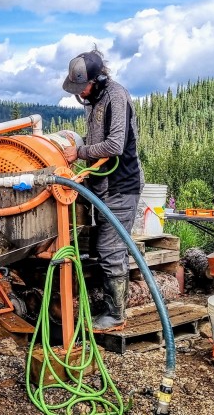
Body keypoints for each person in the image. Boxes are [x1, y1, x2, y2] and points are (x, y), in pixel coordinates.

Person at [60, 49, 144, 331]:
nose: (79, 93)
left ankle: (116, 314)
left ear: (96, 79)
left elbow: (115, 145)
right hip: (102, 184)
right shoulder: (93, 100)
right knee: (103, 247)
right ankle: (111, 306)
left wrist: (79, 153)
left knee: (110, 248)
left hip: (121, 184)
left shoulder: (116, 97)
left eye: (81, 87)